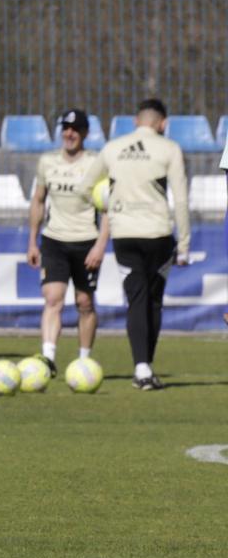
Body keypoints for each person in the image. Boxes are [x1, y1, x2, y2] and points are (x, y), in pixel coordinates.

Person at [103, 99, 190, 390]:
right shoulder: (169, 148)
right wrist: (185, 244)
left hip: (124, 233)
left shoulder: (112, 148)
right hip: (158, 234)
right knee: (153, 301)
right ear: (162, 123)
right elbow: (180, 199)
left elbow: (86, 185)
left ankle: (142, 368)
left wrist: (108, 203)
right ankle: (145, 367)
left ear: (135, 122)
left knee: (136, 299)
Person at [25, 110, 110, 369]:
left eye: (75, 129)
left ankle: (84, 361)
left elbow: (108, 209)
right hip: (54, 240)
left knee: (84, 303)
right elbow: (38, 201)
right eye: (65, 128)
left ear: (85, 133)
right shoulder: (47, 162)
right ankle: (48, 358)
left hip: (86, 241)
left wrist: (100, 245)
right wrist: (32, 241)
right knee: (53, 299)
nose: (69, 133)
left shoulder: (97, 163)